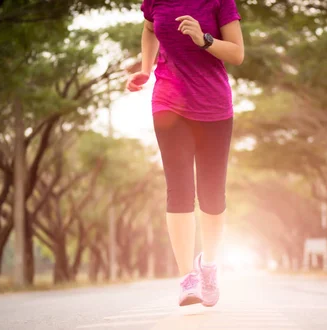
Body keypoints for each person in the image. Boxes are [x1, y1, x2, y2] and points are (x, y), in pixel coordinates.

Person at [126, 0, 244, 307]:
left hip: (214, 106)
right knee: (179, 190)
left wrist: (204, 39)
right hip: (169, 102)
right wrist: (146, 69)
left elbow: (237, 53)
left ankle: (209, 266)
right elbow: (150, 30)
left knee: (212, 195)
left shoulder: (220, 2)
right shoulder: (155, 1)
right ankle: (187, 278)